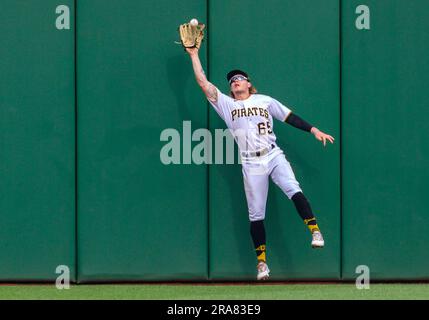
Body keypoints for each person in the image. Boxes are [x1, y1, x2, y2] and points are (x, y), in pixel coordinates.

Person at [185, 47, 335, 280]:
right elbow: (203, 82)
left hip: (273, 155)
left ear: (248, 83)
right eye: (232, 80)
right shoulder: (226, 104)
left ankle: (315, 232)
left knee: (292, 188)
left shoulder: (264, 99)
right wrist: (194, 55)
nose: (235, 81)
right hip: (250, 162)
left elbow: (289, 117)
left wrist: (314, 130)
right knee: (256, 214)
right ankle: (262, 264)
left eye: (240, 78)